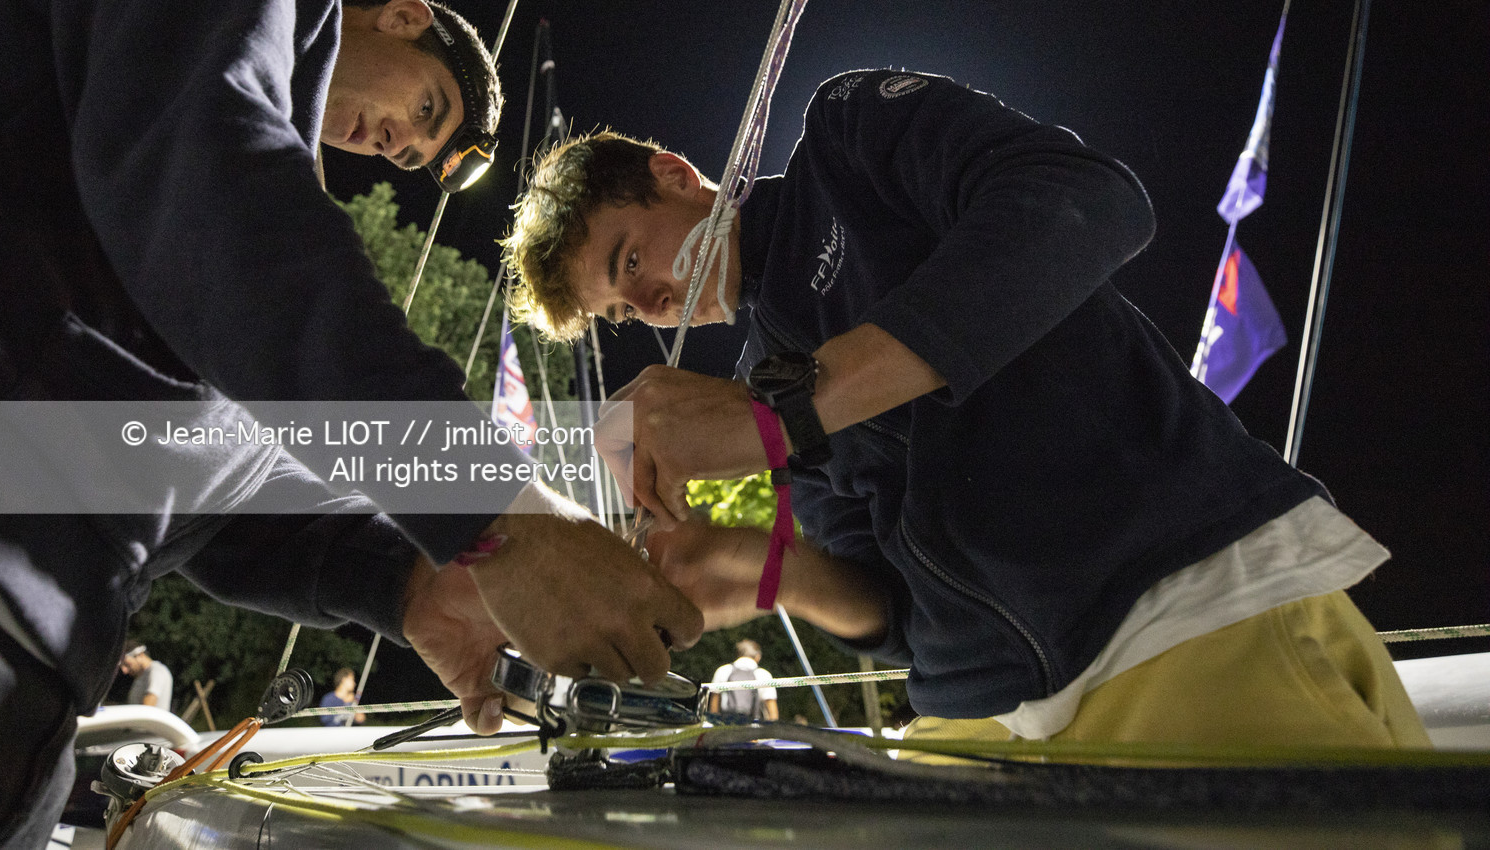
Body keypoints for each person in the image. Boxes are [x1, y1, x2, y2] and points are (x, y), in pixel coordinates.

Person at [0, 0, 699, 849]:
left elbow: (177, 465)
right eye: (426, 107)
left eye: (416, 152)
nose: (402, 143)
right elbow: (207, 181)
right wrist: (493, 506)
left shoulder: (212, 265)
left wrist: (404, 579)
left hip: (15, 656)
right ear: (404, 20)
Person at [502, 69, 1430, 752]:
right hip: (981, 711)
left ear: (671, 174)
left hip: (1178, 607)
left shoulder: (846, 140)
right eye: (624, 309)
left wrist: (785, 415)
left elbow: (1091, 201)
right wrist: (754, 565)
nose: (653, 302)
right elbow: (890, 612)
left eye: (630, 262)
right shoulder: (762, 371)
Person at [708, 639, 779, 722]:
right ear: (758, 656)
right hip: (753, 727)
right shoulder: (763, 675)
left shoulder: (723, 671)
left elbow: (714, 707)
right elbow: (772, 711)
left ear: (738, 654)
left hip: (727, 725)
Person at [118, 640, 174, 712]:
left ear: (140, 655)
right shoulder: (142, 675)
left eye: (127, 664)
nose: (124, 670)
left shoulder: (156, 671)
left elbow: (148, 709)